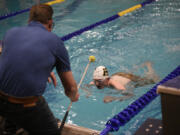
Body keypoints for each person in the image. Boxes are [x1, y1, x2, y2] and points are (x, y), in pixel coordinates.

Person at [0, 4, 79, 135]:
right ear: (50, 23)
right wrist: (74, 96)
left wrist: (38, 68)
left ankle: (9, 129)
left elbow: (12, 59)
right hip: (26, 106)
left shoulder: (11, 33)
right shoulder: (55, 42)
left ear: (29, 20)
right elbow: (70, 88)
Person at [85, 62, 159, 103]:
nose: (97, 84)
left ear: (107, 79)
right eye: (95, 80)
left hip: (128, 79)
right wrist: (88, 92)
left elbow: (130, 95)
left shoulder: (116, 85)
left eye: (100, 81)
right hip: (118, 76)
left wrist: (113, 98)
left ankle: (149, 66)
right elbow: (86, 86)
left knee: (151, 80)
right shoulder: (96, 81)